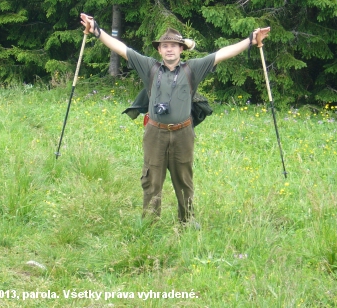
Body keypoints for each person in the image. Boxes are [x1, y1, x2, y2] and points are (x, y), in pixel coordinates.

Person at [80, 13, 269, 226]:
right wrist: (96, 30)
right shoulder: (149, 67)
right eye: (165, 46)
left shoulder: (193, 69)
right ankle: (150, 224)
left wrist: (250, 40)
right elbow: (120, 48)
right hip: (155, 133)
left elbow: (222, 54)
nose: (169, 49)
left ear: (181, 49)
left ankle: (187, 220)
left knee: (184, 180)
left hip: (183, 133)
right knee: (151, 179)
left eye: (174, 45)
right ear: (159, 50)